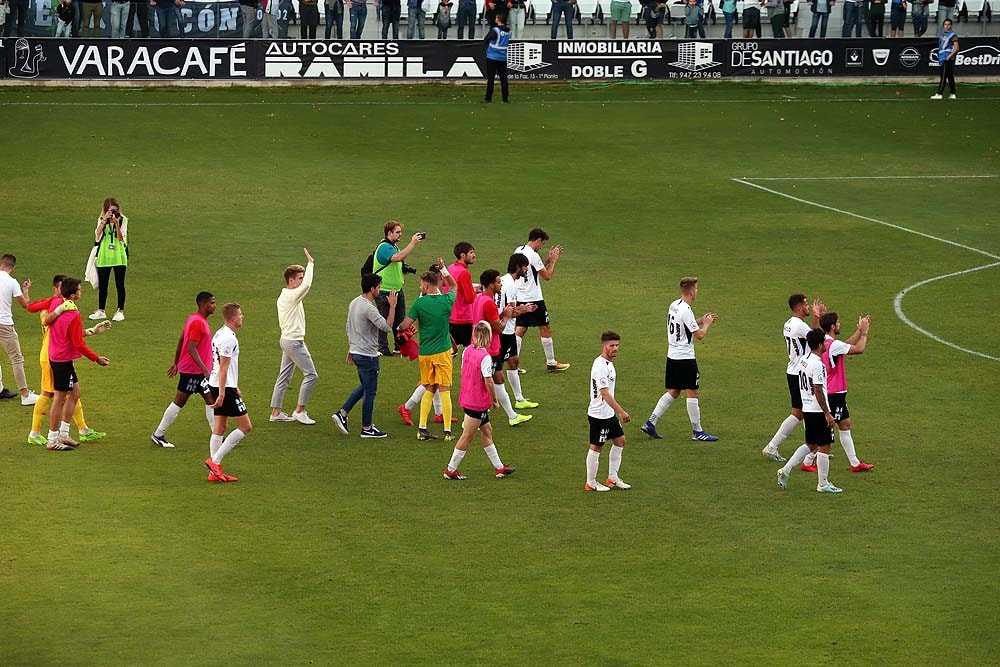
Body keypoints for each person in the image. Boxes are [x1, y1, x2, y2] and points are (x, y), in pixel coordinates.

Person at [27, 275, 110, 447]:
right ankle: (52, 439)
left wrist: (93, 331)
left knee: (75, 393)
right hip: (61, 359)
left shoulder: (57, 304)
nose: (82, 291)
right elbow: (78, 343)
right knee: (57, 398)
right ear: (73, 295)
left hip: (56, 356)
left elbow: (58, 327)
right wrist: (97, 358)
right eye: (80, 289)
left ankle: (64, 433)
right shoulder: (73, 314)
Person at [641, 277, 719, 442]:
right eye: (696, 289)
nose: (697, 291)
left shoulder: (674, 305)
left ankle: (650, 422)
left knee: (674, 391)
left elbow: (684, 324)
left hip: (672, 356)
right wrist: (707, 324)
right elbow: (699, 335)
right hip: (685, 358)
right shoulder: (686, 310)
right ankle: (697, 432)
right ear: (691, 291)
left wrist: (701, 320)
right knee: (693, 392)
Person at [799, 313, 875, 473]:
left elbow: (844, 345)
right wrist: (865, 333)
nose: (840, 324)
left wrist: (859, 331)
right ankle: (806, 461)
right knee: (823, 435)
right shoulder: (833, 345)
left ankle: (854, 463)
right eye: (838, 323)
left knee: (845, 424)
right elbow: (859, 349)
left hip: (834, 393)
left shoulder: (827, 342)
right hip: (833, 394)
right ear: (833, 326)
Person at [443, 321, 517, 481]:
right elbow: (488, 381)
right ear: (488, 337)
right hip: (476, 402)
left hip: (468, 397)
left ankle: (499, 468)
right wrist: (494, 399)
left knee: (487, 431)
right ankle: (450, 470)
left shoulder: (468, 351)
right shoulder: (485, 357)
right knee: (467, 436)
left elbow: (465, 371)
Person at [396, 260, 458, 441]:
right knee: (444, 390)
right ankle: (447, 431)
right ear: (437, 284)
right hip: (443, 352)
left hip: (425, 353)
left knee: (429, 388)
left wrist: (400, 327)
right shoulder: (447, 300)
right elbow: (454, 285)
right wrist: (444, 269)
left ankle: (422, 429)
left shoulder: (418, 304)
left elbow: (404, 325)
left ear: (425, 286)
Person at [776, 329, 843, 493]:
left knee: (810, 444)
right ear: (820, 345)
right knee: (824, 446)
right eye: (825, 342)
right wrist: (827, 413)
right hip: (817, 410)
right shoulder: (818, 365)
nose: (827, 343)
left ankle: (786, 469)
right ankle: (823, 483)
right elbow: (818, 390)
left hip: (807, 407)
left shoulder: (803, 360)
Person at [333, 273, 398, 439]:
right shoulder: (369, 308)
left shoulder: (354, 302)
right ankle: (367, 428)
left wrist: (351, 348)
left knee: (365, 386)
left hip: (357, 352)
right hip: (368, 355)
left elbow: (349, 326)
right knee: (370, 391)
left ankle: (343, 413)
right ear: (372, 289)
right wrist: (392, 306)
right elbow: (386, 327)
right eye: (378, 287)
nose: (380, 290)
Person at [150, 292, 217, 448]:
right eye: (212, 303)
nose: (214, 306)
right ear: (203, 304)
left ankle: (217, 435)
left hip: (194, 370)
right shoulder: (198, 323)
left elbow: (181, 339)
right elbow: (191, 347)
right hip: (193, 372)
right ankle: (158, 434)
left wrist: (176, 363)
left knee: (211, 401)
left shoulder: (193, 319)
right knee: (180, 402)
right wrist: (205, 370)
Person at [761, 294, 823, 462]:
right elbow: (816, 339)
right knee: (802, 412)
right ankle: (774, 447)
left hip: (793, 370)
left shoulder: (788, 324)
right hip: (800, 373)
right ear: (798, 308)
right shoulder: (799, 326)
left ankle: (814, 448)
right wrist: (817, 317)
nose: (808, 307)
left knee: (802, 411)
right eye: (806, 304)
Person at [472, 269, 534, 427]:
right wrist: (505, 316)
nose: (501, 284)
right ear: (491, 285)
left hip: (480, 346)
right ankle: (473, 417)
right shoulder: (489, 303)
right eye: (499, 282)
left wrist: (505, 314)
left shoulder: (480, 299)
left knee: (495, 380)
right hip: (489, 348)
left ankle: (512, 416)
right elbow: (498, 328)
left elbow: (491, 321)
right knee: (492, 382)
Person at [269, 249, 319, 425]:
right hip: (292, 342)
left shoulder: (286, 295)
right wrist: (310, 263)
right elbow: (307, 286)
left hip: (289, 340)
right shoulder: (291, 295)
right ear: (291, 280)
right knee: (311, 375)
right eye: (299, 277)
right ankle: (300, 410)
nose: (302, 280)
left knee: (284, 377)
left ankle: (276, 412)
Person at [204, 303, 251, 483]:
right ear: (233, 318)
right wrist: (224, 392)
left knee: (220, 428)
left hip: (218, 384)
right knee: (246, 427)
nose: (242, 317)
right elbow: (223, 367)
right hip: (223, 387)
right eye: (240, 314)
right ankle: (214, 462)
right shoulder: (229, 339)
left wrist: (233, 384)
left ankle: (214, 472)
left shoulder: (219, 333)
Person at [513, 228, 569, 373]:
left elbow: (531, 270)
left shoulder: (519, 250)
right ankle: (551, 363)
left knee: (520, 330)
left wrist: (547, 260)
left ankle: (514, 364)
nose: (541, 246)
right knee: (545, 328)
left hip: (519, 297)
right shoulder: (533, 255)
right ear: (538, 240)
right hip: (534, 299)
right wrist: (554, 261)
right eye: (542, 244)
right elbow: (547, 276)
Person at [585, 331, 631, 492]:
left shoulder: (608, 364)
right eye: (612, 345)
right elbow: (604, 393)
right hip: (599, 415)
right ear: (603, 346)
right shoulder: (600, 366)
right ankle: (590, 482)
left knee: (620, 441)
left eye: (617, 345)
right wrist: (621, 411)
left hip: (608, 414)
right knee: (596, 447)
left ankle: (612, 477)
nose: (615, 348)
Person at [373, 220, 423, 356]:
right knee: (384, 319)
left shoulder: (393, 247)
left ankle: (398, 345)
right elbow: (399, 257)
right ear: (389, 233)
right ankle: (382, 347)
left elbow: (395, 262)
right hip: (385, 290)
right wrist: (413, 243)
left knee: (399, 318)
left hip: (395, 289)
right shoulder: (385, 247)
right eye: (398, 232)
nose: (400, 235)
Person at [496, 254, 539, 411]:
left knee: (513, 361)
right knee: (495, 369)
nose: (527, 269)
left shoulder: (503, 280)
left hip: (505, 329)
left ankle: (519, 398)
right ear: (518, 266)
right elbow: (511, 312)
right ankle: (486, 402)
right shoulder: (511, 286)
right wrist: (525, 309)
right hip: (504, 330)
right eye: (525, 266)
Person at [0, 254, 39, 406]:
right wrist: (26, 290)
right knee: (16, 359)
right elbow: (25, 304)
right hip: (4, 324)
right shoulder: (12, 282)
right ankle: (25, 394)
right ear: (13, 267)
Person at [89, 198, 129, 323]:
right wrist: (104, 220)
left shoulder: (123, 220)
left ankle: (120, 310)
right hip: (105, 254)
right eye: (111, 210)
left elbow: (122, 239)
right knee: (103, 284)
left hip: (118, 255)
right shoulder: (102, 220)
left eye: (115, 210)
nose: (113, 213)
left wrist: (116, 224)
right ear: (106, 210)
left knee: (119, 284)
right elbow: (97, 235)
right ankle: (101, 310)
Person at [447, 242, 477, 346]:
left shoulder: (450, 268)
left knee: (449, 351)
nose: (474, 255)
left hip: (450, 316)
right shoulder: (464, 273)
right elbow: (470, 299)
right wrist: (474, 292)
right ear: (462, 255)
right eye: (471, 252)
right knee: (469, 351)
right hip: (463, 318)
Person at [483, 13, 511, 105]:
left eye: (496, 17)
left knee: (491, 79)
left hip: (492, 57)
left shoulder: (495, 30)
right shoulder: (508, 31)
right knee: (503, 79)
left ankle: (488, 99)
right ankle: (505, 99)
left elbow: (486, 39)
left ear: (498, 19)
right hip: (503, 58)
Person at [931, 19, 959, 99]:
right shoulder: (943, 35)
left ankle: (939, 93)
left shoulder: (952, 35)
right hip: (943, 57)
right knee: (950, 76)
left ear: (951, 25)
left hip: (947, 58)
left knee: (943, 75)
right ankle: (952, 93)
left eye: (948, 24)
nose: (947, 26)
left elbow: (956, 47)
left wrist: (949, 57)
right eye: (945, 24)